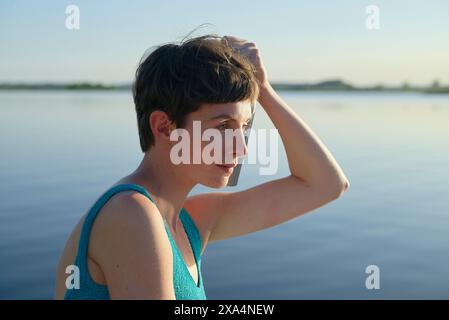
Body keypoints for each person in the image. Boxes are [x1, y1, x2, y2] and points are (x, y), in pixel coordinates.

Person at [54, 34, 350, 300]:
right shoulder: (130, 214)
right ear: (164, 127)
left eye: (244, 127)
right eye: (223, 126)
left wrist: (264, 89)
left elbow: (326, 185)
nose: (242, 147)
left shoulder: (191, 222)